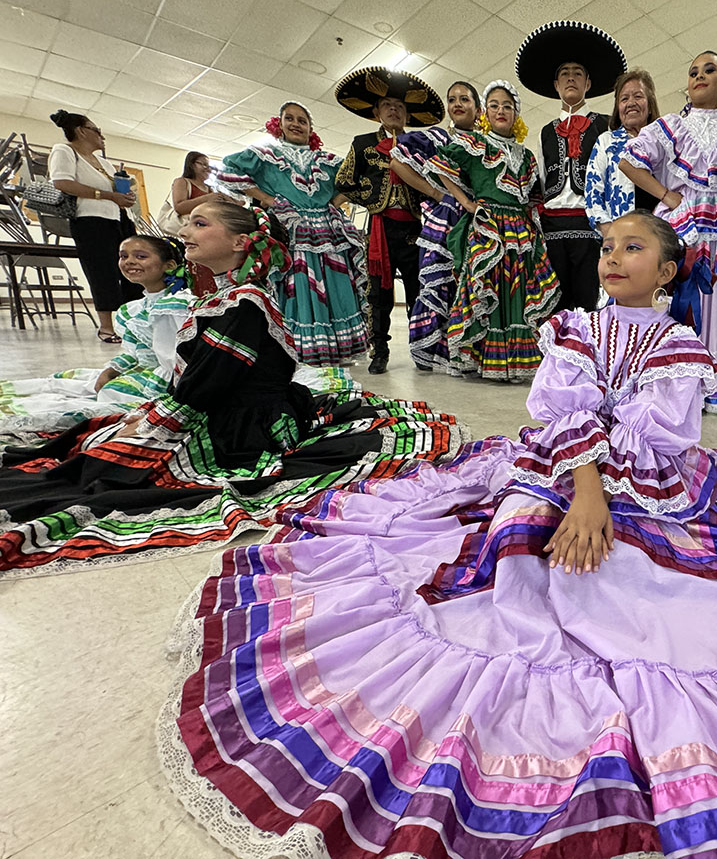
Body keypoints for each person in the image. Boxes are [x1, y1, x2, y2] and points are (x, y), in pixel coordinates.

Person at [161, 210, 717, 859]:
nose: (614, 257)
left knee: (635, 572)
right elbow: (560, 409)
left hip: (654, 481)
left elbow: (660, 437)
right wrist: (582, 486)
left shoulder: (682, 345)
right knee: (517, 535)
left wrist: (607, 490)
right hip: (560, 462)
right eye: (609, 246)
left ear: (668, 272)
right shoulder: (572, 328)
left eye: (635, 248)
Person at [0, 202, 465, 577]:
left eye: (200, 223)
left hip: (245, 422)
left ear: (240, 242)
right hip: (217, 402)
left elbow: (209, 382)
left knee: (112, 464)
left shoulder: (246, 301)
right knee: (95, 445)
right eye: (187, 223)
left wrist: (166, 413)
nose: (187, 230)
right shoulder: (220, 296)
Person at [619, 51, 717, 412]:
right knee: (674, 296)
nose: (699, 76)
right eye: (693, 72)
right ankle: (669, 380)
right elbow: (630, 161)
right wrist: (668, 195)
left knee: (715, 299)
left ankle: (708, 383)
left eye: (709, 70)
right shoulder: (670, 125)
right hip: (680, 225)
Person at [426, 80, 560, 380]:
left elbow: (532, 197)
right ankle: (488, 359)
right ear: (485, 112)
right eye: (495, 105)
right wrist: (467, 203)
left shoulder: (526, 156)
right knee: (489, 288)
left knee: (518, 291)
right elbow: (439, 165)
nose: (501, 110)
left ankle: (516, 361)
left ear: (516, 115)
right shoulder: (475, 144)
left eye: (508, 106)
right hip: (488, 227)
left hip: (520, 231)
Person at [219, 102, 367, 366]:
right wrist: (267, 199)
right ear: (279, 124)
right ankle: (302, 350)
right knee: (297, 284)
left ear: (311, 128)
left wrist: (335, 202)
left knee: (337, 283)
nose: (296, 124)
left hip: (328, 229)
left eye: (302, 120)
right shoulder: (266, 155)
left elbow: (362, 177)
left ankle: (339, 349)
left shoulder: (328, 160)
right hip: (291, 228)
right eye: (290, 119)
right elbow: (229, 171)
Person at [0, 235, 191, 434]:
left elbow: (176, 357)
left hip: (168, 377)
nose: (129, 261)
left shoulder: (176, 304)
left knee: (109, 395)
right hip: (146, 370)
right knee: (72, 381)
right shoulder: (133, 309)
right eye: (123, 256)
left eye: (141, 256)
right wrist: (110, 371)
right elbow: (134, 352)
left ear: (169, 265)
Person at [334, 67, 445, 374]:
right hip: (379, 229)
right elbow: (344, 182)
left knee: (418, 290)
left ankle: (422, 349)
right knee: (379, 294)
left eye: (399, 107)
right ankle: (379, 350)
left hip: (413, 228)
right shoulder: (362, 142)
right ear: (376, 112)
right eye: (387, 106)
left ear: (406, 114)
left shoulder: (419, 144)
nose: (394, 110)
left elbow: (436, 179)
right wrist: (370, 200)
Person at [516, 20, 627, 311]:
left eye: (578, 73)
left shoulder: (604, 124)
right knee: (556, 299)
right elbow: (540, 179)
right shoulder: (544, 131)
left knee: (588, 296)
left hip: (589, 221)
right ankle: (559, 354)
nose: (571, 78)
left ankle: (586, 353)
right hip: (553, 223)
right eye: (564, 74)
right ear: (555, 85)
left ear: (588, 83)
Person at [389, 81, 483, 374]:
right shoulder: (437, 138)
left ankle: (470, 351)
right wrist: (435, 193)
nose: (458, 104)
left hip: (478, 221)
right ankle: (436, 351)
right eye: (452, 99)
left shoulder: (486, 144)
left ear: (478, 109)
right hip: (444, 220)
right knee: (440, 282)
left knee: (473, 283)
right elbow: (396, 163)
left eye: (464, 99)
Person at [47, 109, 141, 342]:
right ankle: (107, 327)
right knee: (102, 272)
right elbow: (62, 182)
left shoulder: (104, 163)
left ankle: (134, 322)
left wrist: (125, 197)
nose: (102, 136)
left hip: (119, 219)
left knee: (132, 269)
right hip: (90, 220)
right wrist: (108, 197)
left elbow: (116, 192)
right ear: (81, 130)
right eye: (97, 130)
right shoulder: (65, 150)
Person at [584, 68, 662, 234]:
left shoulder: (664, 142)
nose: (631, 102)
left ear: (649, 106)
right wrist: (610, 233)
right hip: (620, 237)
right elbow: (593, 193)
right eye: (624, 98)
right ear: (618, 109)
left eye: (638, 96)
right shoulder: (606, 142)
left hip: (660, 235)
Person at [168, 151, 235, 296]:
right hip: (195, 237)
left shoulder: (211, 188)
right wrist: (208, 198)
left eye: (208, 165)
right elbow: (179, 207)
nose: (207, 168)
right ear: (191, 164)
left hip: (210, 238)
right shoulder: (182, 182)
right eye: (202, 164)